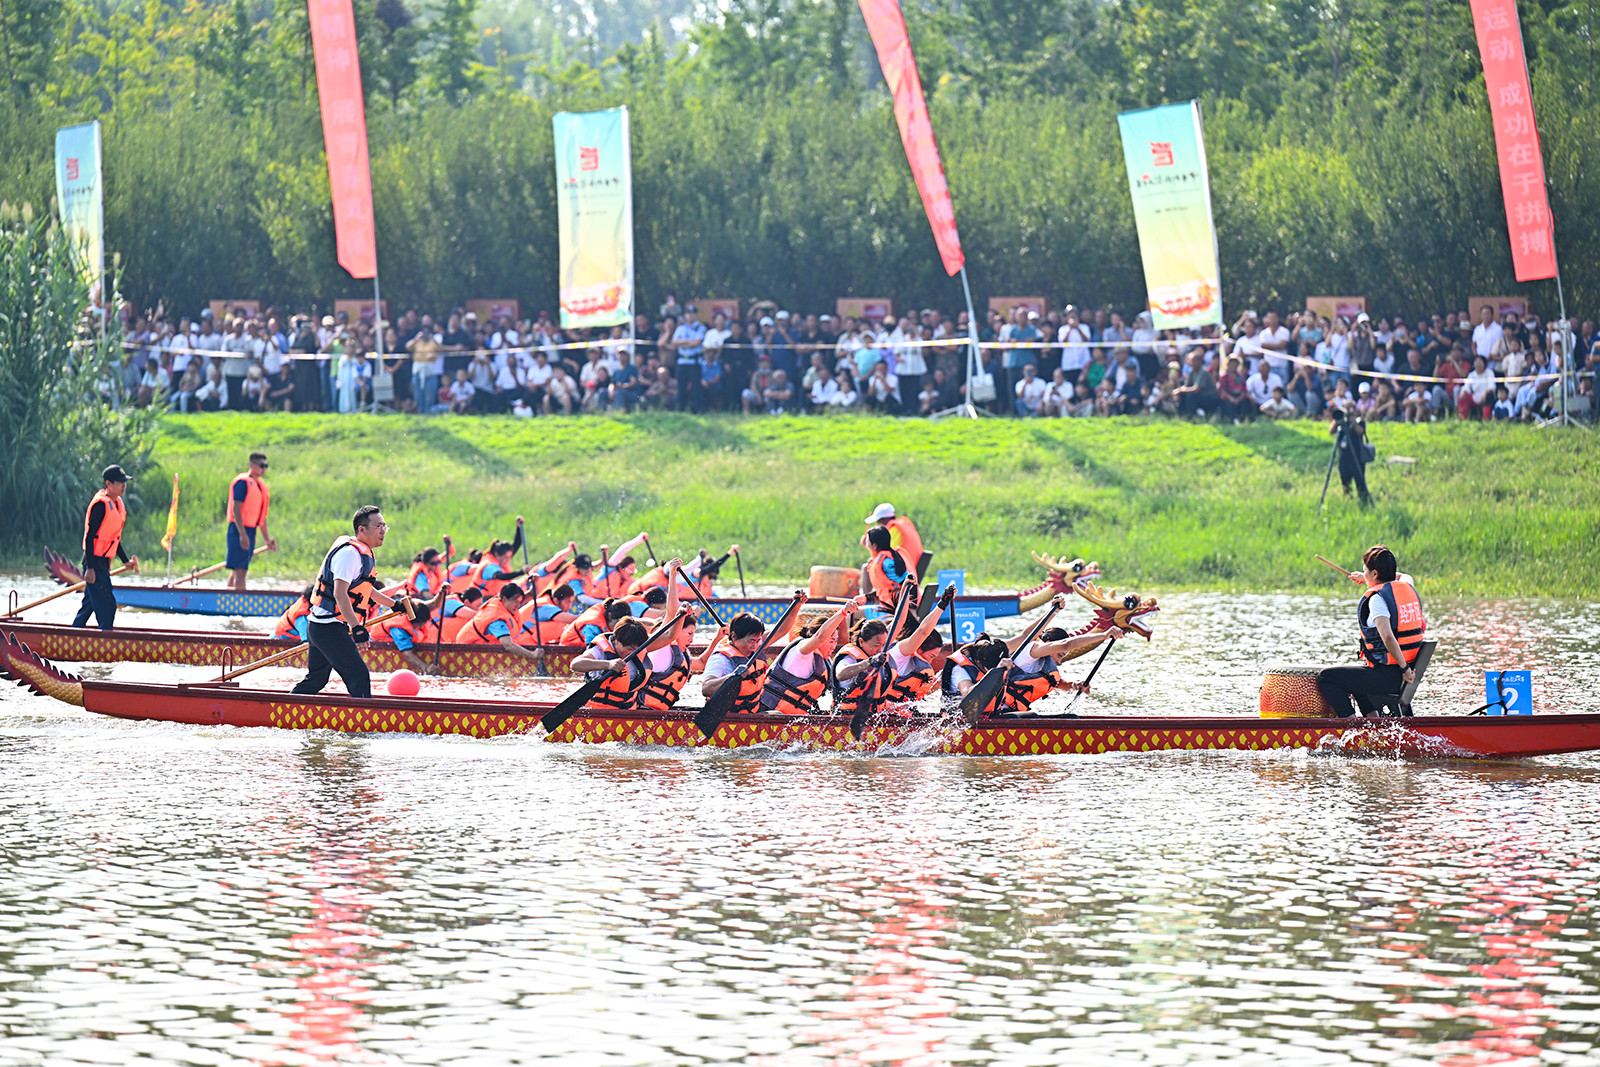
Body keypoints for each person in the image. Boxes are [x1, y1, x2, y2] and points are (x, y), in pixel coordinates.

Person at [292, 506, 410, 699]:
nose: (383, 531)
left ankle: (290, 706)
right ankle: (365, 724)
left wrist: (393, 605)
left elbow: (365, 589)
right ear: (362, 530)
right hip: (328, 627)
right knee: (359, 675)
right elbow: (340, 594)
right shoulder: (350, 555)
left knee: (317, 678)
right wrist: (357, 628)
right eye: (378, 526)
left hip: (322, 626)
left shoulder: (363, 553)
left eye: (384, 526)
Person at [1316, 545, 1426, 717]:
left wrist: (1404, 669)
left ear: (1374, 574)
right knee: (1356, 678)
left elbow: (1388, 637)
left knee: (1327, 678)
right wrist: (1368, 577)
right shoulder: (1407, 586)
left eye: (1365, 570)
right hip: (1406, 673)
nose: (1363, 574)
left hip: (1393, 675)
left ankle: (1351, 728)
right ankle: (1373, 723)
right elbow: (1403, 576)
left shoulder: (1377, 600)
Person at [833, 599, 950, 716]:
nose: (881, 650)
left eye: (883, 645)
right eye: (876, 645)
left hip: (877, 717)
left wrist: (905, 590)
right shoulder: (850, 657)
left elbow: (899, 621)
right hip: (848, 718)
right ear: (861, 642)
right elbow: (841, 674)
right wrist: (869, 662)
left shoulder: (883, 655)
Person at [700, 606, 804, 712]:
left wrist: (797, 605)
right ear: (734, 637)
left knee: (778, 714)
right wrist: (733, 677)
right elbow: (706, 688)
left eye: (758, 640)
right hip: (726, 717)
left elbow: (781, 630)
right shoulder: (720, 659)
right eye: (751, 641)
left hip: (751, 712)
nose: (755, 646)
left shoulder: (753, 645)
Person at [75, 465, 140, 630]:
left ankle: (73, 633)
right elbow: (90, 537)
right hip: (94, 562)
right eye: (120, 482)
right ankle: (105, 640)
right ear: (108, 484)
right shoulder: (101, 505)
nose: (124, 485)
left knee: (89, 604)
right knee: (108, 605)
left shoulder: (117, 504)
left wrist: (125, 560)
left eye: (125, 482)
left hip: (103, 562)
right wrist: (90, 568)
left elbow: (114, 538)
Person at [458, 583, 545, 667]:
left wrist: (535, 582)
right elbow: (508, 645)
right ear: (504, 599)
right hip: (466, 652)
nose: (518, 605)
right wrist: (532, 655)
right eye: (515, 602)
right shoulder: (497, 620)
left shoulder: (506, 604)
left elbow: (530, 594)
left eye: (520, 602)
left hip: (482, 646)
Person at [226, 453, 277, 591]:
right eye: (261, 466)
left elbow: (262, 518)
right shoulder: (243, 482)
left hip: (250, 531)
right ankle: (238, 601)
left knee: (240, 568)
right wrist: (242, 534)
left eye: (266, 466)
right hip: (239, 529)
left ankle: (230, 595)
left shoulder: (261, 486)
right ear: (252, 465)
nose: (264, 469)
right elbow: (236, 508)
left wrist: (266, 539)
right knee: (240, 571)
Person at [860, 502, 925, 578]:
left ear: (885, 519)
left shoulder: (894, 530)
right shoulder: (903, 524)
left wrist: (869, 546)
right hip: (911, 565)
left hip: (905, 568)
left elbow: (885, 554)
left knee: (867, 567)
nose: (877, 525)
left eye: (878, 521)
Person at [861, 524, 912, 610]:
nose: (866, 544)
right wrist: (866, 597)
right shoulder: (884, 560)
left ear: (875, 546)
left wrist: (912, 610)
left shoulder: (887, 564)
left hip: (890, 609)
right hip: (885, 605)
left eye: (867, 541)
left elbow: (909, 583)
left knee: (851, 614)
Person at [1330, 409, 1373, 507]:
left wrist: (1352, 423)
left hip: (1357, 456)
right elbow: (1331, 431)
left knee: (1360, 481)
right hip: (1344, 457)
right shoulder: (1340, 423)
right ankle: (1348, 500)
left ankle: (1364, 502)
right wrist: (1336, 420)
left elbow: (1361, 431)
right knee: (1345, 481)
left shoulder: (1359, 421)